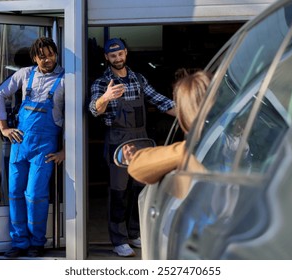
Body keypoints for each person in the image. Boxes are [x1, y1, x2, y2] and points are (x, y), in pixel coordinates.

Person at [89, 37, 176, 257]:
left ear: (126, 53)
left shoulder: (139, 79)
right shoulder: (101, 83)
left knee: (140, 189)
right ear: (106, 57)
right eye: (112, 55)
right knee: (119, 193)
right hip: (117, 141)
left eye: (120, 54)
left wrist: (191, 111)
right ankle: (118, 239)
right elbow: (94, 109)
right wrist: (106, 97)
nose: (117, 58)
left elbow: (162, 102)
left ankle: (135, 232)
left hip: (140, 141)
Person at [0, 37, 65, 258]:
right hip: (19, 143)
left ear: (55, 54)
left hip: (46, 146)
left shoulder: (65, 81)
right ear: (35, 58)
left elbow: (74, 119)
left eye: (50, 54)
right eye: (42, 56)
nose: (47, 59)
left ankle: (37, 242)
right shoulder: (24, 74)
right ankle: (19, 242)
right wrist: (4, 128)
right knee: (14, 193)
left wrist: (66, 151)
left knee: (35, 194)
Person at [127, 70, 212, 186]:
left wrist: (134, 157)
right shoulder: (230, 134)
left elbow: (136, 169)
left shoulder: (183, 153)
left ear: (184, 113)